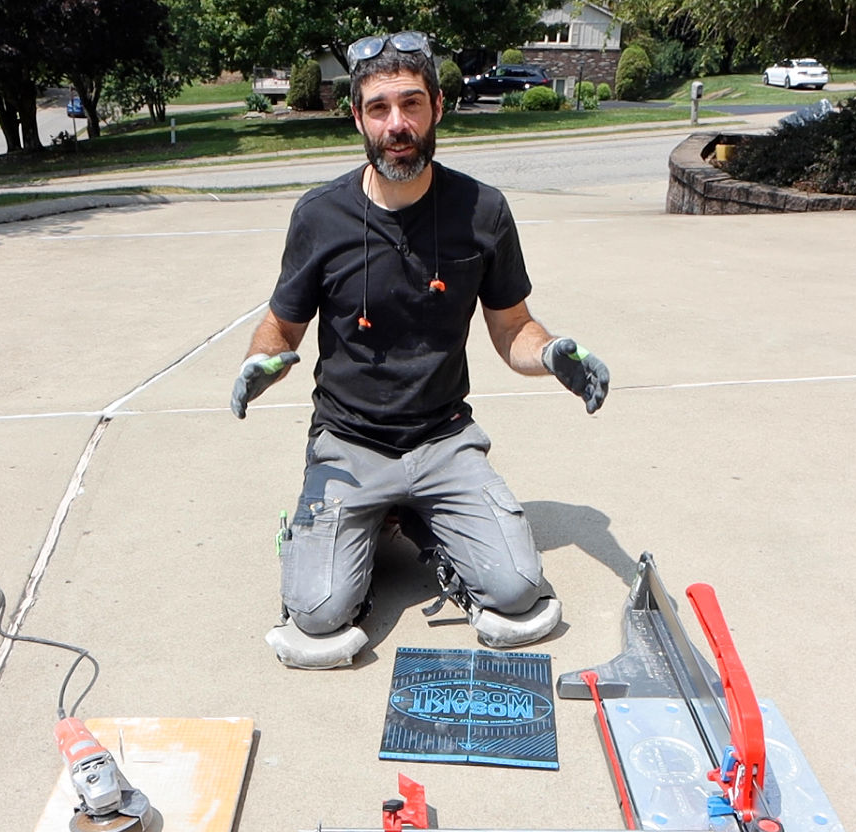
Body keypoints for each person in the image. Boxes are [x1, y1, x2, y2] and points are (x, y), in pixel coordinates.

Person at [230, 31, 611, 670]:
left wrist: (552, 356)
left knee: (518, 594)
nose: (396, 124)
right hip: (349, 444)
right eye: (379, 108)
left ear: (437, 105)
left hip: (442, 438)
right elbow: (281, 327)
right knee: (319, 615)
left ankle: (421, 518)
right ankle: (342, 528)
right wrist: (258, 363)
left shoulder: (482, 210)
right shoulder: (319, 216)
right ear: (357, 117)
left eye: (411, 103)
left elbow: (512, 325)